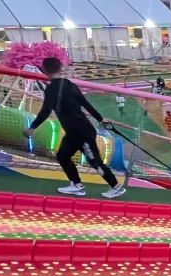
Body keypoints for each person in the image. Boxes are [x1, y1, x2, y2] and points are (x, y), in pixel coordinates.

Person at [23, 56, 125, 198]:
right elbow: (85, 103)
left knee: (94, 161)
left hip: (81, 132)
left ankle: (116, 186)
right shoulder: (70, 84)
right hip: (76, 131)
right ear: (60, 68)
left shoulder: (51, 89)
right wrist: (100, 118)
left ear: (44, 71)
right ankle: (77, 185)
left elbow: (45, 111)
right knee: (63, 156)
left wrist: (32, 127)